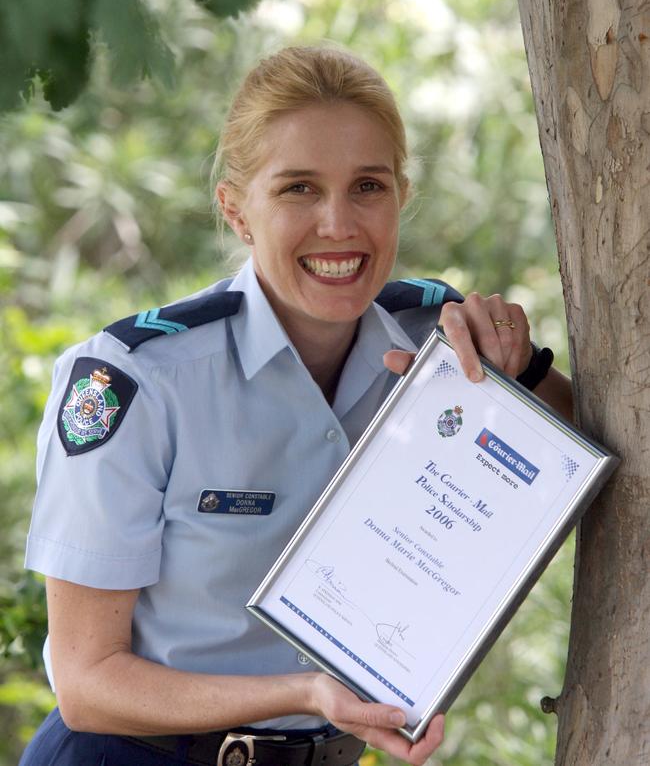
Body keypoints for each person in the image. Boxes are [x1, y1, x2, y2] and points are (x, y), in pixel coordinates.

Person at [20, 45, 572, 766]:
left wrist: (514, 365)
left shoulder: (437, 344)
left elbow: (590, 450)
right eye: (298, 190)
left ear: (402, 194)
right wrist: (306, 693)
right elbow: (89, 684)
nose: (339, 224)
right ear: (236, 211)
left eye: (367, 186)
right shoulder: (136, 381)